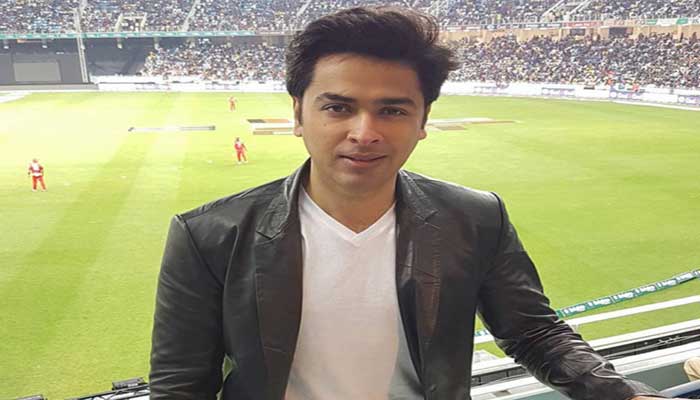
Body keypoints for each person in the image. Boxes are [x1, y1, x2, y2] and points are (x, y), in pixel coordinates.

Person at [150, 7, 679, 400]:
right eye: (338, 107)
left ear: (423, 121)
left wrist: (623, 395)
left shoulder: (475, 218)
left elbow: (534, 332)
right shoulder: (210, 235)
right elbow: (180, 386)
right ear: (298, 114)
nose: (365, 132)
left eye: (393, 111)